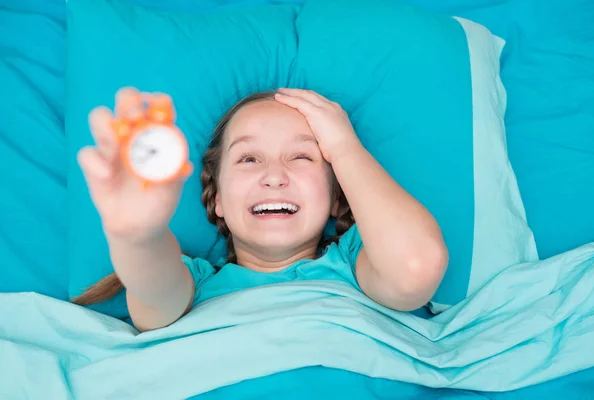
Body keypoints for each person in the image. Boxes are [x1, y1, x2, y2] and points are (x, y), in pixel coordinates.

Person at [74, 87, 448, 332]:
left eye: (302, 156)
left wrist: (345, 148)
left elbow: (416, 268)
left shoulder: (358, 267)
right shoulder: (192, 287)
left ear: (338, 196)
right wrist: (139, 235)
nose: (274, 176)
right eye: (250, 158)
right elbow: (153, 292)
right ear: (217, 199)